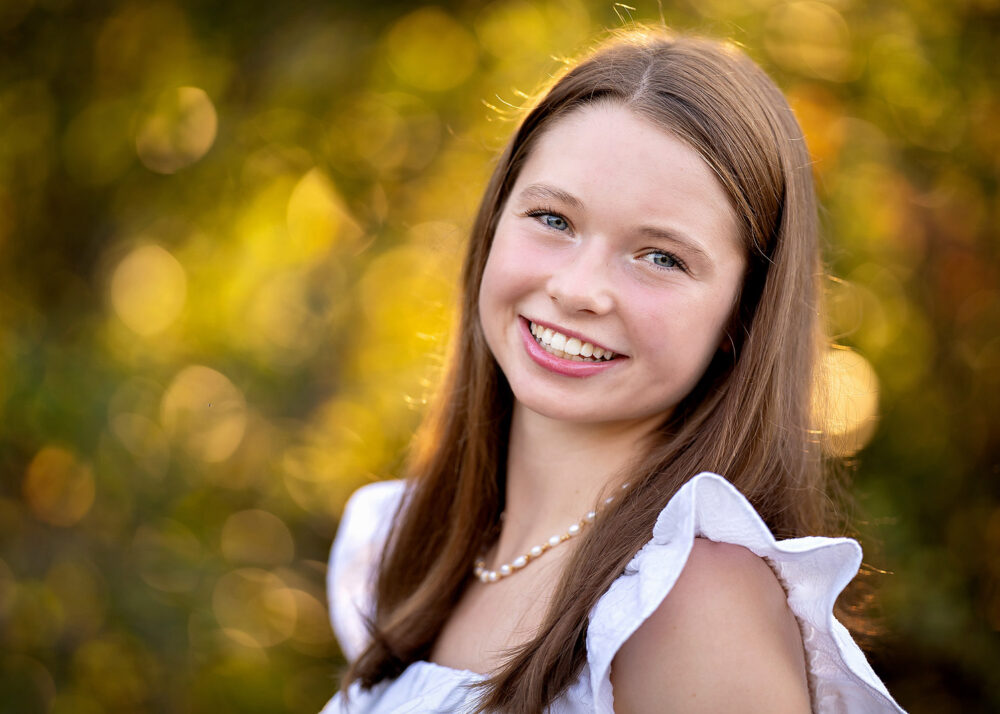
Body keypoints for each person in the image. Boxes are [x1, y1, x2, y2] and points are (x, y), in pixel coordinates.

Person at [320, 28, 906, 713]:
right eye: (552, 218)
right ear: (493, 222)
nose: (578, 289)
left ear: (741, 318)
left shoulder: (690, 603)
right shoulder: (403, 547)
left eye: (661, 257)